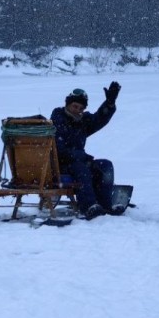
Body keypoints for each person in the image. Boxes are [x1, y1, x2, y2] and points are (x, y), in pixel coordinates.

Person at [51, 82, 122, 219]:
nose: (77, 110)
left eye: (81, 108)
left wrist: (110, 102)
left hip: (78, 161)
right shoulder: (57, 119)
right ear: (68, 104)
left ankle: (105, 204)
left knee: (105, 165)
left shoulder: (82, 121)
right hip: (59, 164)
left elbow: (99, 119)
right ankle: (88, 206)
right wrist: (80, 156)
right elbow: (58, 150)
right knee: (81, 168)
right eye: (74, 106)